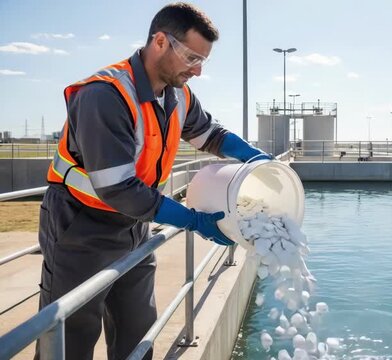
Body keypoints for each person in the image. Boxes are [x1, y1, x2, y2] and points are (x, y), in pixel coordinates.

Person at [36, 3, 269, 359]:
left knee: (138, 330)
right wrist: (191, 219)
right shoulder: (106, 96)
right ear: (160, 41)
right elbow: (117, 187)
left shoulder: (178, 94)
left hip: (134, 223)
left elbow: (209, 134)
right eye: (192, 57)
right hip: (80, 226)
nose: (199, 70)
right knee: (72, 336)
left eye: (202, 60)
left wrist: (253, 157)